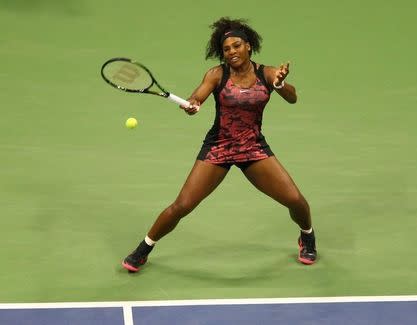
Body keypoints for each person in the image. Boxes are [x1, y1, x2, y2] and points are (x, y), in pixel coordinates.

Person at [122, 17, 317, 272]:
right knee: (182, 205)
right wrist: (193, 104)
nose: (232, 52)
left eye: (237, 46)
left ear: (248, 46)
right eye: (226, 49)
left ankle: (307, 236)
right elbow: (198, 96)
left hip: (253, 147)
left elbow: (292, 98)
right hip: (219, 147)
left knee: (296, 200)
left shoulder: (266, 73)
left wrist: (279, 84)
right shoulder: (217, 74)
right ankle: (144, 248)